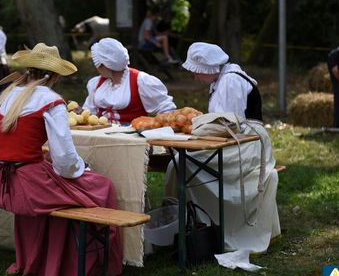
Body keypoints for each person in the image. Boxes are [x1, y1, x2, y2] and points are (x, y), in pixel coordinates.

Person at [0, 43, 122, 276]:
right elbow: (65, 160)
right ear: (56, 76)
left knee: (59, 193)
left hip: (2, 183)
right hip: (29, 187)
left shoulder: (6, 96)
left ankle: (43, 260)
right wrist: (83, 170)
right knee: (102, 187)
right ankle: (97, 264)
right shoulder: (51, 101)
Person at [165, 42, 280, 253]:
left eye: (197, 72)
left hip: (247, 144)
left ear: (208, 69)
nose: (195, 77)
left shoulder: (230, 81)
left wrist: (198, 130)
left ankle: (200, 225)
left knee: (183, 164)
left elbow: (229, 126)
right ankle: (184, 222)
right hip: (237, 140)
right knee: (179, 163)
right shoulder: (222, 79)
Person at [83, 37, 176, 124]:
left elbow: (167, 111)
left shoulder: (141, 81)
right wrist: (81, 113)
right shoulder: (97, 83)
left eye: (96, 63)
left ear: (105, 65)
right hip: (100, 136)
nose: (96, 67)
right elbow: (89, 112)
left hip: (131, 138)